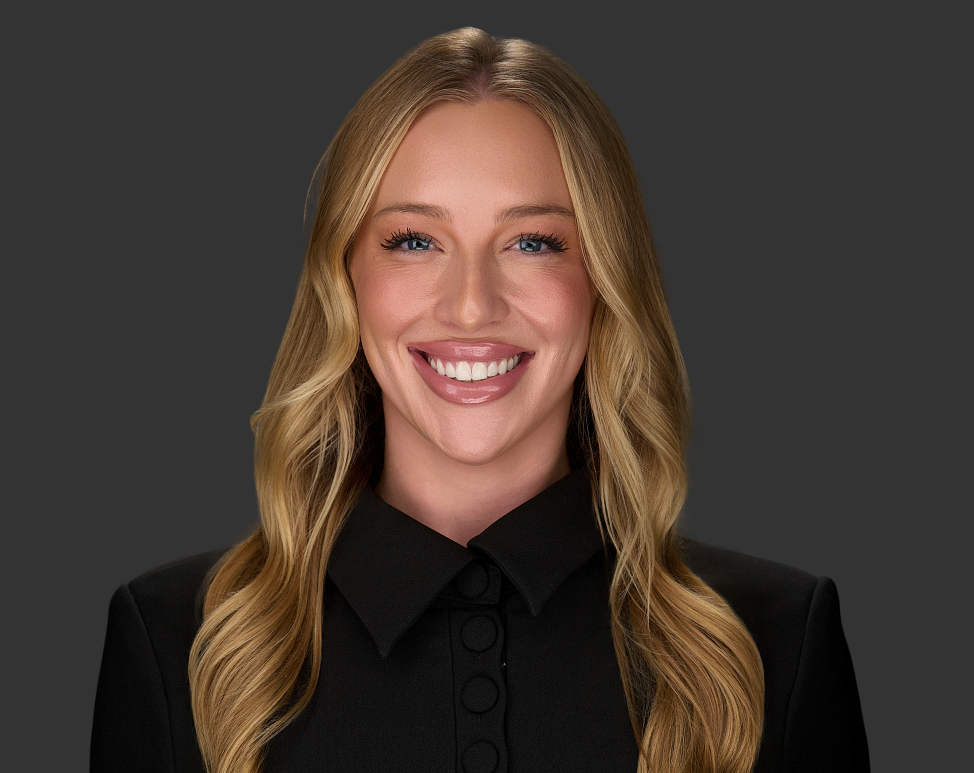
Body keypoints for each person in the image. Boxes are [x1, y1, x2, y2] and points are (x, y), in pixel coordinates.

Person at [91, 27, 868, 773]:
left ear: (603, 279)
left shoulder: (774, 644)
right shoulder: (177, 644)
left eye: (532, 242)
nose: (471, 306)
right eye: (413, 240)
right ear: (345, 278)